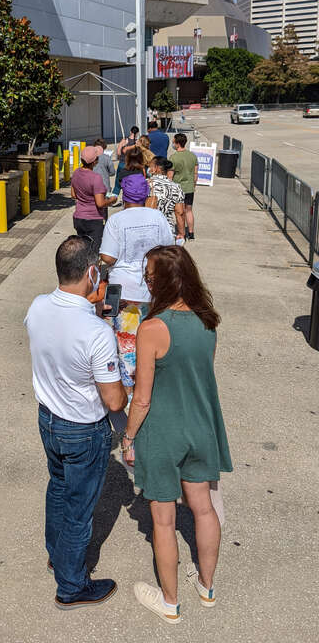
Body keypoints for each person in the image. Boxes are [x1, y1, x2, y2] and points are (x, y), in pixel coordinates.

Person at [121, 245, 233, 625]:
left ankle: (170, 603)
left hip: (163, 433)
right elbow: (199, 379)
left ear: (164, 281)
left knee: (164, 520)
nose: (147, 282)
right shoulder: (208, 322)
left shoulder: (152, 329)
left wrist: (128, 437)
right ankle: (207, 586)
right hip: (202, 426)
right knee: (203, 508)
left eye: (150, 276)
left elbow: (143, 397)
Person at [25, 236, 127, 610]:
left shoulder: (37, 307)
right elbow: (114, 399)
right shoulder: (97, 333)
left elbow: (59, 334)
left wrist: (89, 313)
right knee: (80, 511)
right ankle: (71, 585)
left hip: (48, 420)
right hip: (83, 429)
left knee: (58, 488)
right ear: (91, 273)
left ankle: (57, 554)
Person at [100, 175, 174, 396]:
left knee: (127, 346)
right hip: (153, 290)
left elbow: (108, 257)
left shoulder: (116, 220)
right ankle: (150, 385)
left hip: (124, 292)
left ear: (124, 195)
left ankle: (131, 393)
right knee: (151, 340)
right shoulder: (157, 217)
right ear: (146, 195)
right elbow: (169, 249)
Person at [71, 146, 116, 251]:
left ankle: (83, 267)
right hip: (93, 219)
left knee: (83, 249)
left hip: (79, 217)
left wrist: (85, 197)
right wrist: (112, 200)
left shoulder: (76, 173)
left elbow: (73, 194)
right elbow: (100, 203)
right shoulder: (96, 178)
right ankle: (92, 267)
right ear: (95, 162)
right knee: (94, 251)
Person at [147, 156, 185, 239]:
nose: (149, 169)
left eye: (150, 166)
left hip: (148, 229)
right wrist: (181, 233)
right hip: (168, 230)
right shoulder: (176, 187)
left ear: (156, 168)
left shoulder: (146, 184)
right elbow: (180, 212)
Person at [170, 133, 199, 240]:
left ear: (177, 143)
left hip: (178, 188)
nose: (172, 144)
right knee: (189, 211)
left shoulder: (173, 157)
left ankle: (181, 233)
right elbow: (195, 174)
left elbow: (170, 176)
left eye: (173, 142)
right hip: (189, 188)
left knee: (179, 212)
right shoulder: (192, 156)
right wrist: (194, 185)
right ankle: (191, 233)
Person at [112, 125, 140, 196]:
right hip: (132, 165)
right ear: (137, 133)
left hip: (122, 163)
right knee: (129, 184)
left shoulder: (124, 140)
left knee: (117, 184)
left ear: (130, 131)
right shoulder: (137, 143)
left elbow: (118, 153)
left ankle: (113, 198)